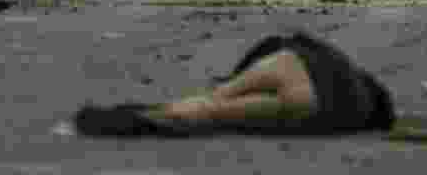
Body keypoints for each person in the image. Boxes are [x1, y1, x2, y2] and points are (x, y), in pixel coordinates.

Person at [73, 31, 395, 137]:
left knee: (214, 99)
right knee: (217, 116)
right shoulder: (358, 110)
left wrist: (234, 78)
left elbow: (278, 43)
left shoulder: (338, 62)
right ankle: (139, 121)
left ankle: (156, 110)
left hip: (291, 66)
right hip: (313, 106)